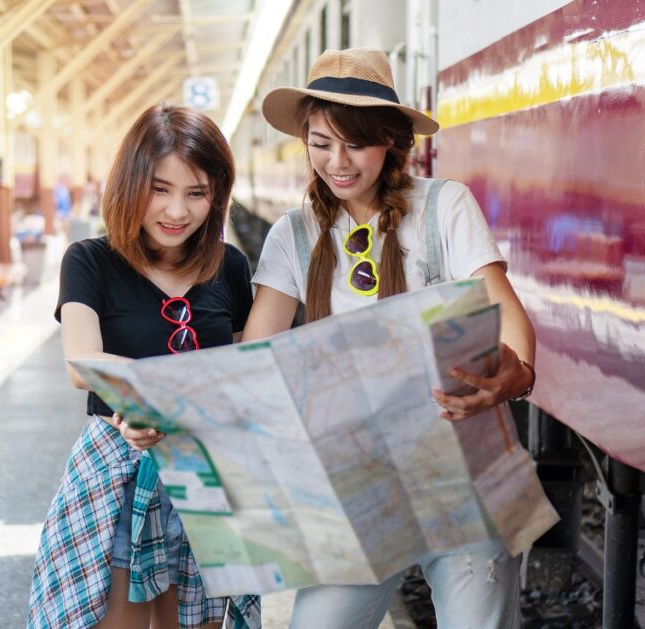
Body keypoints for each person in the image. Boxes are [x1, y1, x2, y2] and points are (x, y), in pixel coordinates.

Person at [243, 47, 557, 628]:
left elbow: (505, 313)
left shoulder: (443, 208)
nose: (336, 162)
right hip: (360, 491)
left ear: (391, 140)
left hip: (465, 482)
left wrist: (517, 371)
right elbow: (255, 355)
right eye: (320, 143)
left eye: (355, 143)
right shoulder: (293, 235)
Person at [27, 103, 260, 629]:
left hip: (208, 471)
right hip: (119, 467)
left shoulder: (231, 266)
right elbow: (81, 361)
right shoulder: (89, 260)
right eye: (160, 188)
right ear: (130, 182)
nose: (177, 210)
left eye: (196, 193)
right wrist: (150, 403)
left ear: (216, 196)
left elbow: (246, 371)